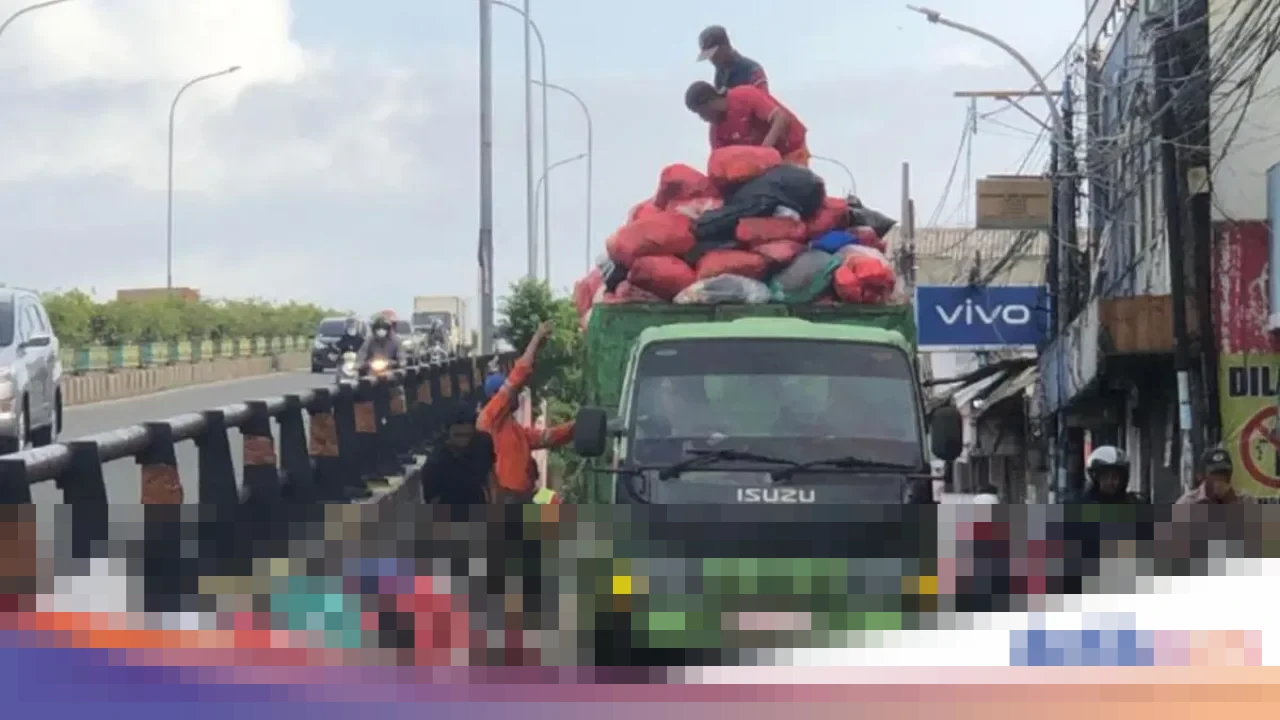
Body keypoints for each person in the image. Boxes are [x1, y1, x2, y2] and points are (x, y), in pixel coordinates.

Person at [477, 321, 575, 504]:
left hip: (526, 495)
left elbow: (544, 437)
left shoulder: (511, 427)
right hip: (507, 499)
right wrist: (536, 340)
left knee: (553, 501)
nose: (518, 394)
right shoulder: (491, 417)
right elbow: (517, 377)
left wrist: (576, 427)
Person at [684, 81, 810, 166]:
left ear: (711, 102)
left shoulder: (745, 96)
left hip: (791, 148)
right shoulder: (716, 132)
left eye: (702, 112)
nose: (702, 118)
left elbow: (781, 119)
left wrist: (763, 153)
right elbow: (718, 162)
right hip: (766, 164)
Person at [422, 408, 495, 505]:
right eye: (458, 435)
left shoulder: (482, 443)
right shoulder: (435, 462)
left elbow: (489, 475)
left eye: (467, 435)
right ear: (448, 434)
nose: (463, 441)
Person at [696, 25, 768, 92]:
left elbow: (764, 99)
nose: (711, 59)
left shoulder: (752, 69)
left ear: (725, 47)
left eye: (714, 54)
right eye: (708, 56)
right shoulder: (720, 73)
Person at [1176, 447, 1249, 504]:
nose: (1221, 477)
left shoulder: (1245, 500)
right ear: (1202, 476)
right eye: (1215, 473)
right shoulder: (1187, 503)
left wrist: (1230, 500)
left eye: (1224, 472)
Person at [1078, 445, 1142, 504]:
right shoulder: (1081, 503)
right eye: (1105, 476)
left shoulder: (1133, 503)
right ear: (1095, 477)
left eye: (1115, 477)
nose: (1111, 482)